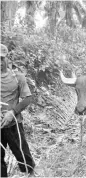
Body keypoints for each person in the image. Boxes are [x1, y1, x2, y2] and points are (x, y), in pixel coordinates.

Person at [1, 44, 35, 177]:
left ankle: (30, 174)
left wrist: (12, 113)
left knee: (24, 157)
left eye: (1, 58)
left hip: (14, 124)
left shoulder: (17, 77)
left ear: (7, 58)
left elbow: (27, 98)